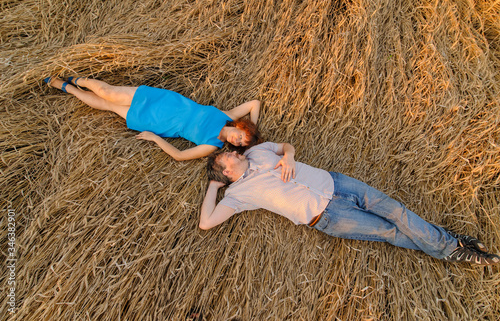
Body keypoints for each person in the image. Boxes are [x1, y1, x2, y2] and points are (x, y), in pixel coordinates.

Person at [201, 142, 500, 265]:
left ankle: (452, 247)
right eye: (227, 155)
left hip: (336, 183)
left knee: (397, 211)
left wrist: (289, 156)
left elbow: (286, 147)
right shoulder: (237, 195)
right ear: (225, 171)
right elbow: (207, 222)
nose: (233, 151)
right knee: (390, 232)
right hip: (329, 216)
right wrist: (213, 188)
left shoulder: (257, 151)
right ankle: (455, 245)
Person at [44, 77, 262, 161]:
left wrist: (154, 138)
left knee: (107, 105)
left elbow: (180, 155)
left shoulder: (213, 144)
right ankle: (78, 79)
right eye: (242, 136)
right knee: (107, 91)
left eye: (240, 144)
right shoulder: (228, 116)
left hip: (156, 123)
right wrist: (255, 133)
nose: (237, 141)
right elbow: (255, 103)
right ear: (242, 127)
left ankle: (68, 88)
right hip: (164, 101)